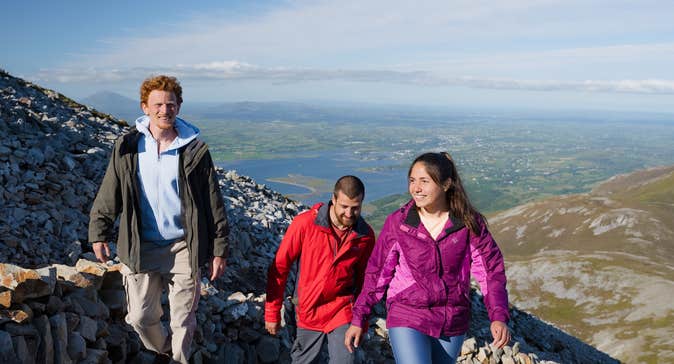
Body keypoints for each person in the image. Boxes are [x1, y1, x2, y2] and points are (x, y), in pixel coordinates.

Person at [88, 75, 230, 363]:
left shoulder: (194, 150)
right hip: (141, 245)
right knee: (139, 317)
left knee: (183, 321)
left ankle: (178, 359)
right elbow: (110, 191)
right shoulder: (128, 146)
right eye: (158, 104)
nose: (164, 110)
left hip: (183, 247)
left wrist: (219, 250)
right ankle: (164, 350)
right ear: (145, 107)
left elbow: (213, 202)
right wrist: (98, 233)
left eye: (170, 104)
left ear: (179, 106)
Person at [344, 152, 510, 364]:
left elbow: (491, 272)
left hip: (452, 318)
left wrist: (498, 316)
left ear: (446, 184)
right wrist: (359, 317)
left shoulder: (468, 224)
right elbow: (377, 273)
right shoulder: (399, 223)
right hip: (407, 312)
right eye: (412, 181)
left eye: (424, 181)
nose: (416, 188)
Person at [265, 176, 376, 364]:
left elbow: (365, 280)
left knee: (346, 359)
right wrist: (272, 312)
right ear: (333, 200)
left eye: (355, 207)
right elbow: (280, 267)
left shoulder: (365, 236)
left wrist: (361, 320)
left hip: (342, 309)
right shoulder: (306, 224)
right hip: (307, 309)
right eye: (344, 206)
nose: (349, 213)